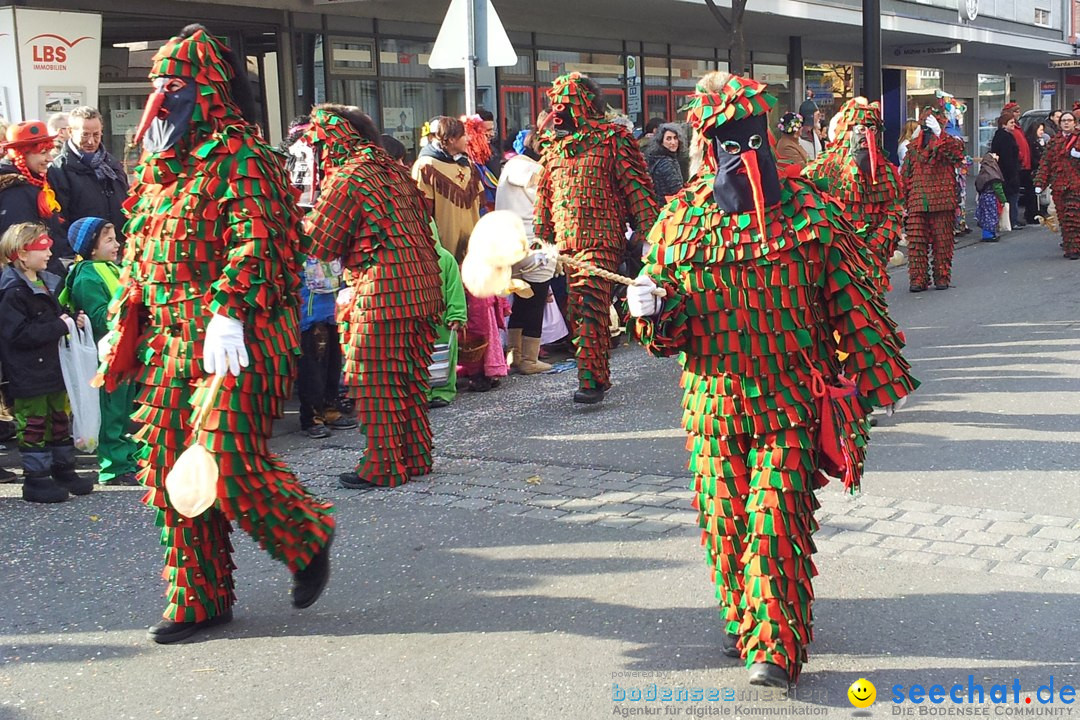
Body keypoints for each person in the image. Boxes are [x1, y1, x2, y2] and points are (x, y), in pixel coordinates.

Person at [627, 71, 917, 689]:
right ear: (707, 147)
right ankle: (745, 616)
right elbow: (663, 339)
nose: (741, 155)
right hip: (712, 409)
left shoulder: (813, 213)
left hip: (790, 402)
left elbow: (855, 304)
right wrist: (653, 311)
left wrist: (870, 381)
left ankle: (775, 646)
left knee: (776, 520)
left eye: (750, 138)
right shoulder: (679, 222)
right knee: (726, 522)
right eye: (726, 142)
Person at [98, 24, 334, 644]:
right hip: (170, 340)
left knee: (224, 455)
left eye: (173, 84)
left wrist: (229, 308)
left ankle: (306, 535)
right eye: (155, 83)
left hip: (241, 333)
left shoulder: (244, 156)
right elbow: (141, 253)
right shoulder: (157, 167)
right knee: (169, 467)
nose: (160, 95)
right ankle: (199, 598)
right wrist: (124, 317)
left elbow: (264, 241)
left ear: (206, 89)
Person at [303, 104, 443, 488]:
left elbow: (322, 243)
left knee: (375, 379)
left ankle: (382, 466)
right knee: (410, 378)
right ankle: (415, 456)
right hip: (423, 287)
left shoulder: (350, 175)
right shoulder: (395, 171)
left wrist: (296, 218)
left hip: (383, 291)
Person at [534, 72, 660, 404]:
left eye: (567, 104)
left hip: (602, 238)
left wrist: (650, 235)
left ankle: (589, 381)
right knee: (580, 308)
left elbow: (636, 188)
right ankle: (597, 375)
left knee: (589, 300)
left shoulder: (613, 140)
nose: (559, 112)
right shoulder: (553, 148)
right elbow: (545, 197)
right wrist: (542, 237)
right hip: (566, 245)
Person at [0, 222, 94, 503]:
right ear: (21, 254)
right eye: (42, 248)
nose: (49, 253)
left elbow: (57, 314)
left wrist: (71, 318)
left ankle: (63, 469)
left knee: (59, 418)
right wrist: (59, 326)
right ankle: (36, 479)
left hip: (53, 367)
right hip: (29, 371)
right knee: (34, 423)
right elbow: (17, 334)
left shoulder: (48, 280)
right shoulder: (13, 291)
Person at [59, 217, 139, 485]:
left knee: (125, 409)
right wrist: (129, 301)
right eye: (109, 240)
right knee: (112, 411)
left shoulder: (110, 268)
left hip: (124, 351)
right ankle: (113, 466)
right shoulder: (88, 275)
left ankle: (127, 457)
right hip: (107, 357)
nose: (117, 244)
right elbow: (100, 317)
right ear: (91, 247)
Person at [803, 97, 903, 289]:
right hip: (834, 257)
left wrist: (874, 245)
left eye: (872, 129)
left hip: (872, 260)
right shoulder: (822, 169)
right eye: (860, 129)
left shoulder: (887, 172)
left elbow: (894, 210)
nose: (867, 137)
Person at [497, 127, 555, 375]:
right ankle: (529, 359)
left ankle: (515, 355)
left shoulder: (509, 167)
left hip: (509, 242)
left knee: (521, 299)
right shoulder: (536, 171)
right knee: (535, 300)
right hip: (534, 243)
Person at [900, 101, 966, 291]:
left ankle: (942, 276)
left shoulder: (949, 144)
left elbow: (957, 154)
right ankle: (917, 279)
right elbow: (906, 173)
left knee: (942, 242)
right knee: (916, 244)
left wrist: (940, 134)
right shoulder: (913, 148)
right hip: (917, 201)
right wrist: (902, 201)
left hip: (942, 200)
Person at [48, 106, 129, 250]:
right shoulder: (58, 170)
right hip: (84, 252)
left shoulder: (112, 164)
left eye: (96, 135)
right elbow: (59, 220)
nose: (91, 141)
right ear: (71, 132)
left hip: (119, 247)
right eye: (85, 135)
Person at [0, 121, 67, 274]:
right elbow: (20, 250)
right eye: (43, 153)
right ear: (21, 155)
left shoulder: (35, 184)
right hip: (32, 281)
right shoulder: (15, 193)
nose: (50, 159)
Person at [412, 115, 479, 264]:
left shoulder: (467, 164)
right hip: (443, 249)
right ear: (451, 139)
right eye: (463, 135)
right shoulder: (426, 166)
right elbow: (422, 211)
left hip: (472, 246)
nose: (467, 139)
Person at [1033, 111, 1080, 259]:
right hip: (1059, 185)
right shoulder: (1054, 142)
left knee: (1073, 216)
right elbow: (1046, 163)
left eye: (1069, 120)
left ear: (1075, 122)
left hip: (1076, 185)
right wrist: (1040, 182)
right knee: (1063, 218)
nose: (1066, 123)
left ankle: (1074, 249)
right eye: (1063, 121)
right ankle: (1069, 246)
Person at [1003, 102, 1034, 226]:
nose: (1018, 114)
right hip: (1019, 165)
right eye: (1016, 111)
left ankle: (1025, 215)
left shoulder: (1018, 127)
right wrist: (1020, 158)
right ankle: (1013, 219)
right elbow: (1014, 147)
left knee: (1026, 191)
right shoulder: (1010, 130)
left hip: (1024, 164)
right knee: (1014, 193)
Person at [990, 114, 1021, 229]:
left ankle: (1011, 220)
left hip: (1004, 171)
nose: (1014, 125)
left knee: (1008, 196)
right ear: (1004, 124)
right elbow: (1007, 157)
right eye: (1011, 123)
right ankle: (1012, 220)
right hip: (1008, 172)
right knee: (1011, 196)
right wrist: (1013, 171)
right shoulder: (1005, 137)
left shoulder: (1001, 136)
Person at [646, 122, 686, 200]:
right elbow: (677, 190)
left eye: (675, 138)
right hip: (669, 206)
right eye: (668, 139)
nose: (673, 142)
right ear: (661, 142)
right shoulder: (666, 163)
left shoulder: (659, 158)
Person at [974, 152, 1006, 243]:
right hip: (991, 198)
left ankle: (987, 234)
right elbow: (998, 188)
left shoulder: (983, 171)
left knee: (985, 216)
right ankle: (989, 235)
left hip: (983, 197)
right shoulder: (993, 174)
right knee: (991, 216)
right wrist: (1003, 200)